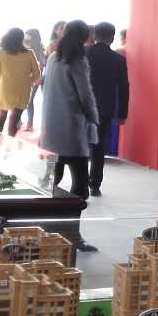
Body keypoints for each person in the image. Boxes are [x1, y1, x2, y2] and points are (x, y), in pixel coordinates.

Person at [40, 20, 100, 252]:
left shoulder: (53, 58)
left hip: (51, 129)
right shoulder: (77, 61)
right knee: (80, 187)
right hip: (71, 130)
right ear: (85, 37)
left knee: (50, 184)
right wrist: (93, 117)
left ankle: (46, 232)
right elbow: (85, 95)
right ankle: (72, 235)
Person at [85, 22, 129, 197]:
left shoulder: (85, 54)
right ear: (112, 37)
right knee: (99, 146)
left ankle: (79, 182)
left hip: (82, 106)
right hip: (105, 108)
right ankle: (95, 185)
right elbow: (124, 88)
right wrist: (122, 113)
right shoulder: (118, 59)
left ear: (95, 35)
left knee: (80, 144)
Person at [0, 28, 41, 137]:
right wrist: (27, 82)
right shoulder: (29, 53)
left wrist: (3, 83)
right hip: (23, 90)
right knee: (15, 119)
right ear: (21, 38)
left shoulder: (0, 52)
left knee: (1, 116)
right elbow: (37, 74)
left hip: (5, 88)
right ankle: (11, 142)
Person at [23, 28, 47, 132]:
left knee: (29, 101)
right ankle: (19, 121)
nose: (26, 37)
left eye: (29, 35)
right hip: (23, 77)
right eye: (26, 34)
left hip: (35, 78)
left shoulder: (39, 49)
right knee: (21, 100)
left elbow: (41, 65)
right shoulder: (24, 45)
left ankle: (30, 123)